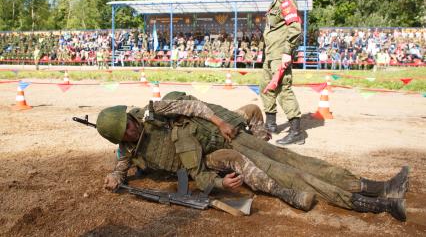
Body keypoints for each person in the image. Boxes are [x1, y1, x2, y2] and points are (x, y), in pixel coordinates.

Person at [97, 92, 409, 221]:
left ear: (131, 117)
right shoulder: (127, 151)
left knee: (291, 161)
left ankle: (374, 186)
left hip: (226, 135)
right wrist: (113, 177)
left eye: (129, 125)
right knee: (286, 171)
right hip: (217, 154)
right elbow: (119, 170)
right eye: (123, 133)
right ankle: (375, 201)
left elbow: (193, 107)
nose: (131, 132)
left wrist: (220, 123)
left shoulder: (156, 111)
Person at [257, 0, 304, 146]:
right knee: (265, 87)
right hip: (271, 54)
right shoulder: (274, 2)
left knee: (284, 90)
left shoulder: (285, 0)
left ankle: (296, 131)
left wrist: (287, 52)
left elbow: (295, 27)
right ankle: (271, 125)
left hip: (280, 53)